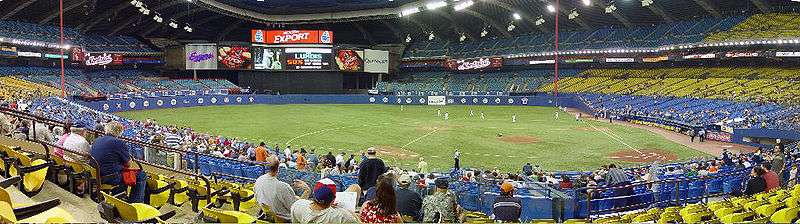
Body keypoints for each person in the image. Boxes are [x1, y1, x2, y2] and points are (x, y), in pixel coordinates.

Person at [90, 121, 148, 203]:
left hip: (96, 174)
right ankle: (136, 202)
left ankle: (120, 195)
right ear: (120, 131)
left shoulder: (97, 140)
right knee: (142, 175)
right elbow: (128, 164)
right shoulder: (119, 142)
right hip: (110, 177)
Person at [254, 155, 311, 222]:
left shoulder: (259, 180)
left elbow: (258, 197)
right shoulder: (282, 186)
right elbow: (295, 209)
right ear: (278, 168)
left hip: (266, 216)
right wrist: (307, 190)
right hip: (284, 220)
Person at [290, 178, 359, 223]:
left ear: (314, 194)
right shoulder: (342, 216)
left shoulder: (297, 205)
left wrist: (307, 190)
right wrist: (351, 213)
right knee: (355, 187)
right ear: (333, 200)